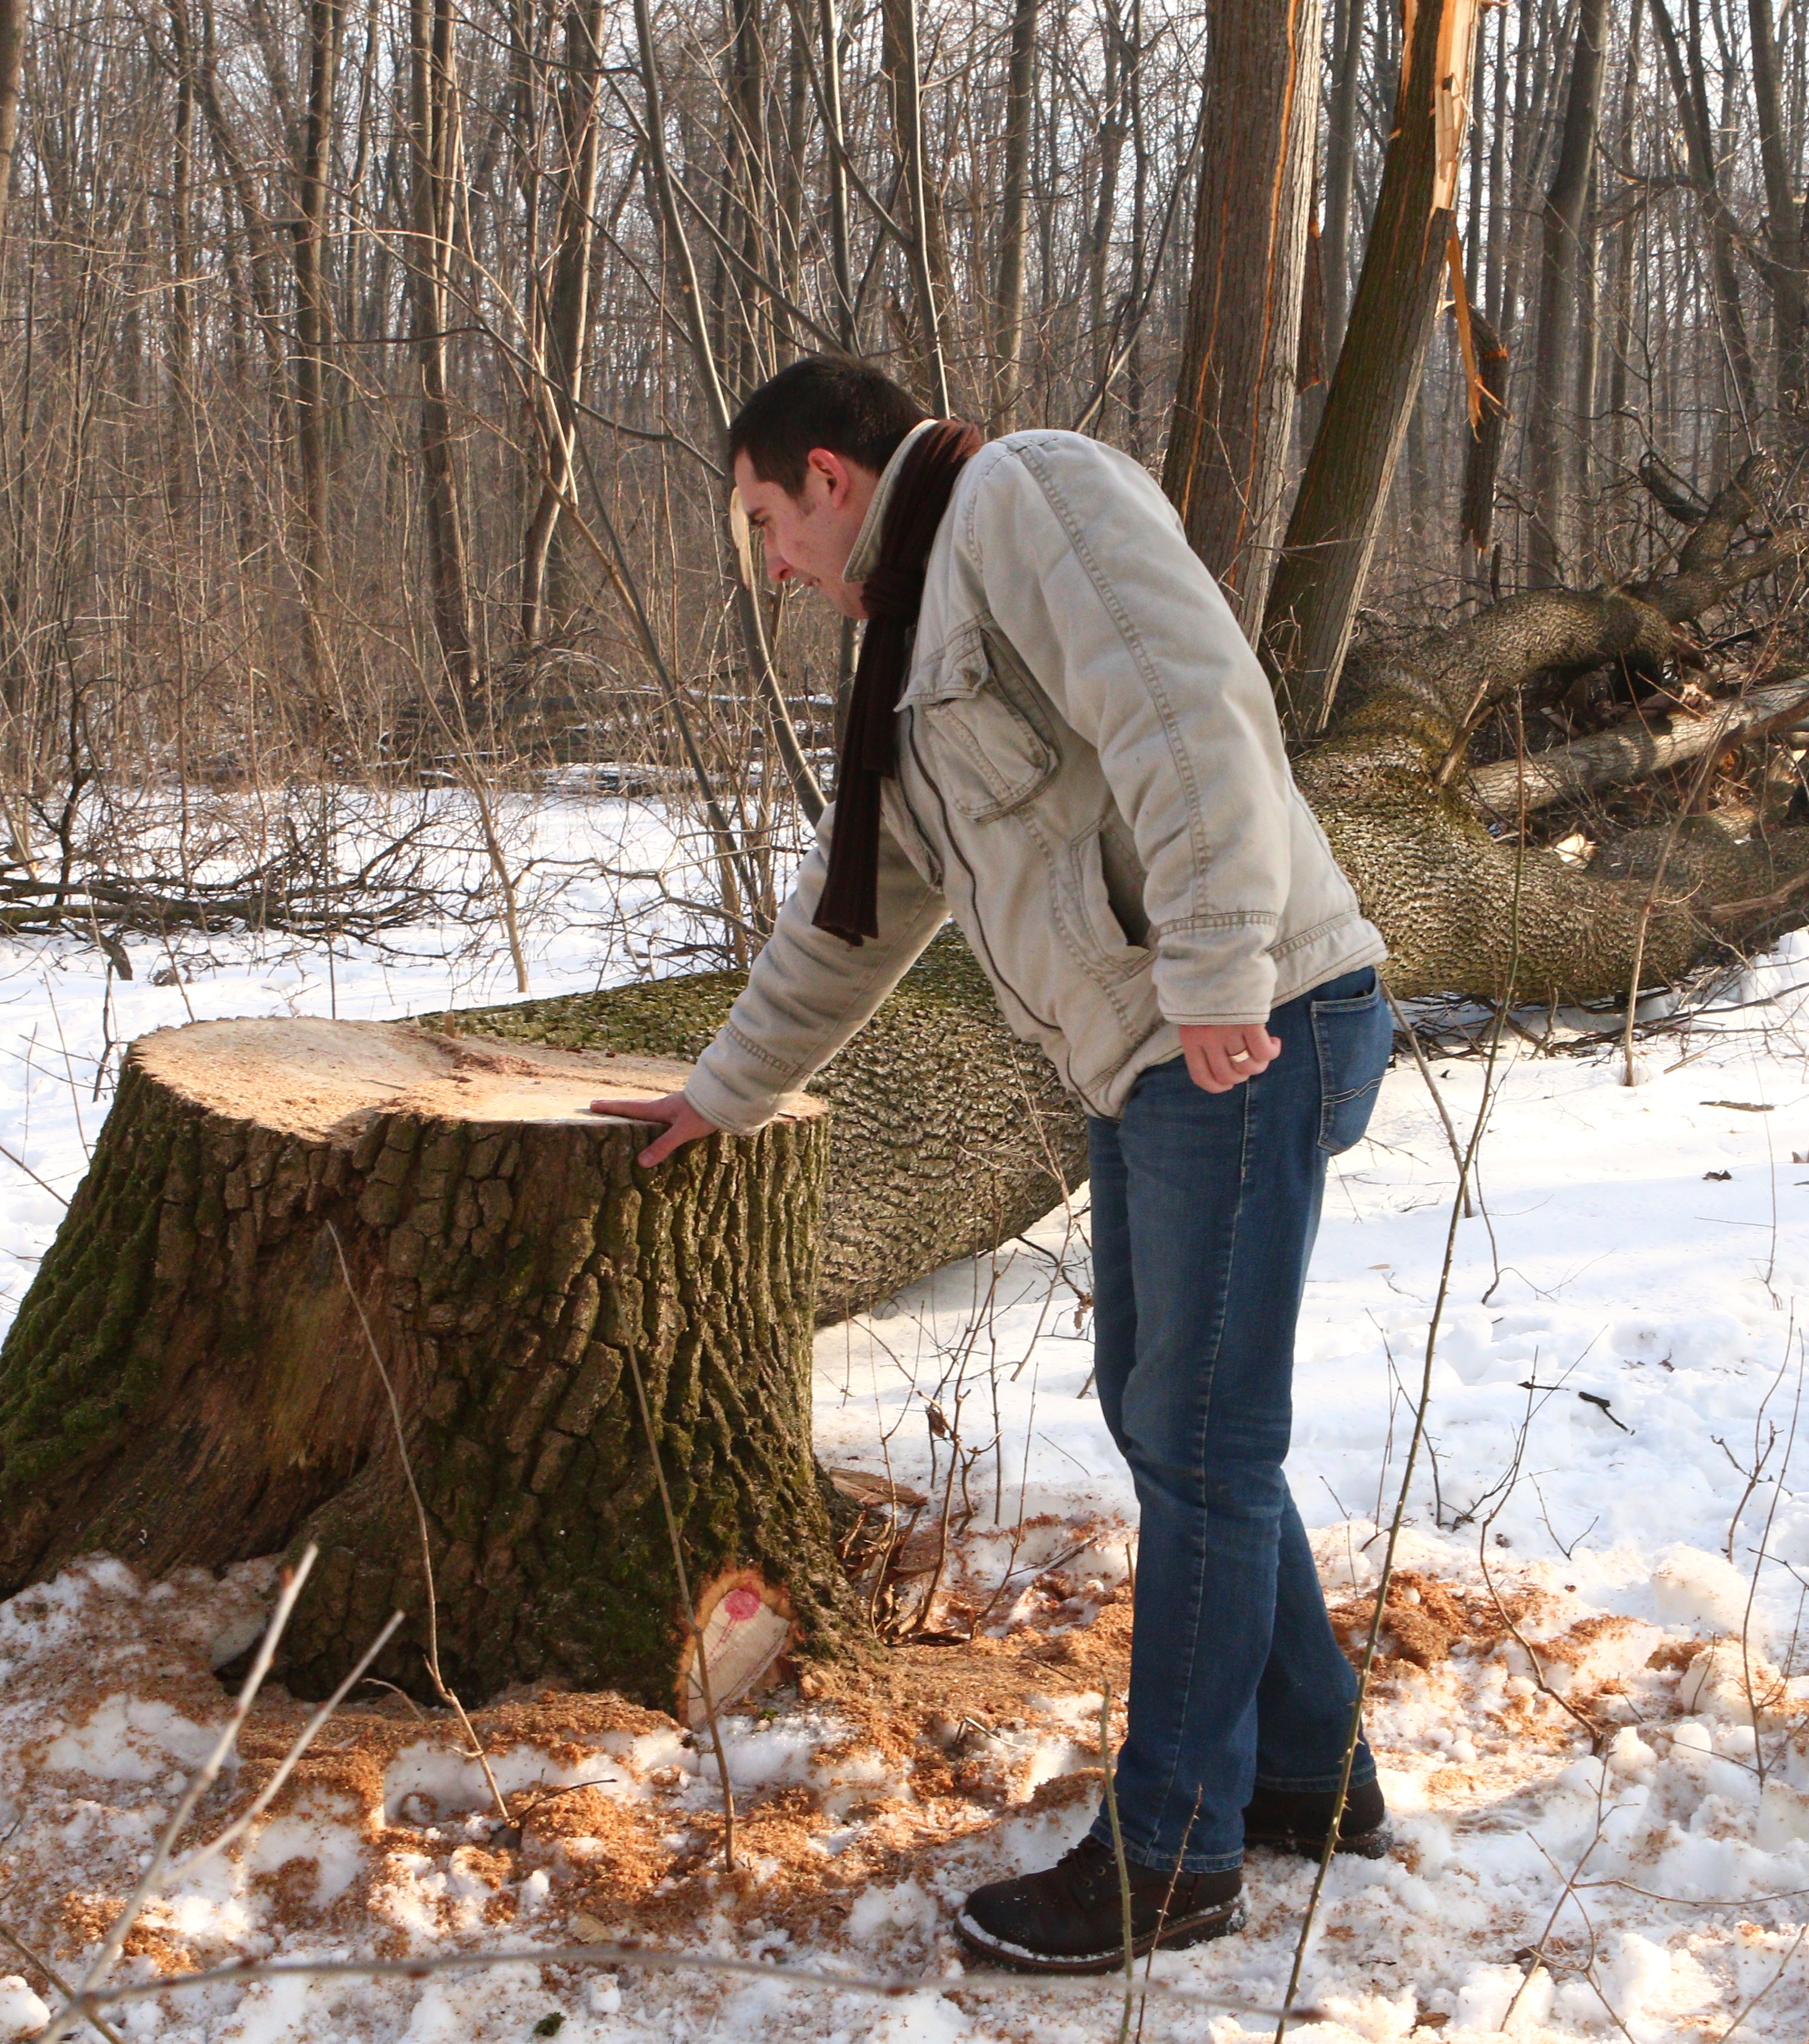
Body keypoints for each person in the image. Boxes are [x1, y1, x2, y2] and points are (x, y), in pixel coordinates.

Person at [593, 356, 1394, 1975]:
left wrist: (1225, 962)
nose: (770, 564)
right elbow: (853, 920)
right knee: (1174, 1417)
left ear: (830, 473)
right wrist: (720, 1096)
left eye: (764, 519)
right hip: (1165, 1049)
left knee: (1200, 1438)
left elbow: (1189, 710)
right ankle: (1310, 1779)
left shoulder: (1028, 494)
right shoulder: (909, 641)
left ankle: (1172, 1860)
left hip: (1244, 1024)